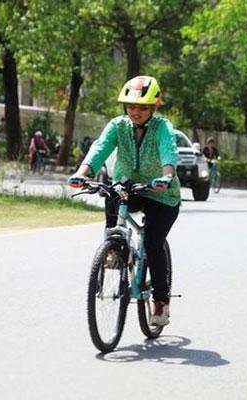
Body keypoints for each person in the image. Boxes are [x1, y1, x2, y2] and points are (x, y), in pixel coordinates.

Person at [67, 76, 180, 326]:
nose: (135, 112)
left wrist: (167, 176)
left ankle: (161, 301)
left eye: (141, 107)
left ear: (153, 107)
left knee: (152, 243)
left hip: (161, 193)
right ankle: (114, 246)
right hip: (129, 186)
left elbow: (168, 150)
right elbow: (100, 147)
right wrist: (82, 173)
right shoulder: (117, 126)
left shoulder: (162, 127)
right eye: (130, 106)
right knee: (112, 193)